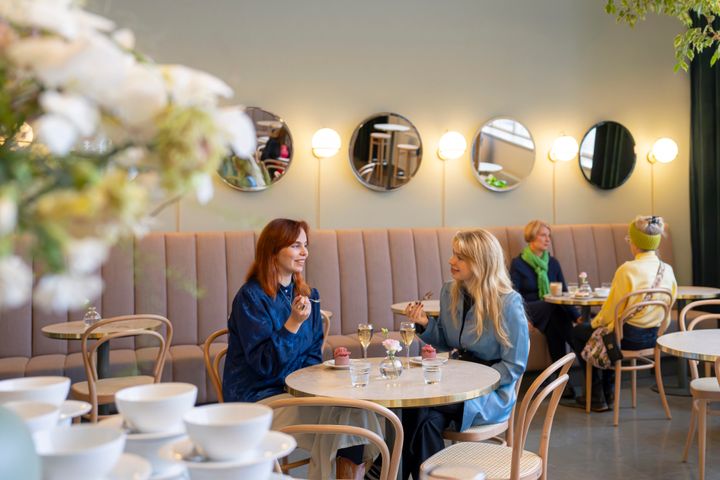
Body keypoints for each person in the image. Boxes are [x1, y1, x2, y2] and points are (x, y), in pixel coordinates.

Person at [222, 218, 380, 479]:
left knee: (357, 410)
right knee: (348, 420)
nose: (305, 252)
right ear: (273, 250)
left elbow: (311, 356)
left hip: (295, 394)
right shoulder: (251, 297)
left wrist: (322, 387)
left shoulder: (308, 294)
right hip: (259, 399)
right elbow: (265, 366)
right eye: (296, 246)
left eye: (305, 245)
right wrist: (293, 323)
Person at [403, 229, 529, 480]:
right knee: (426, 420)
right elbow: (445, 340)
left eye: (460, 257)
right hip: (455, 381)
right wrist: (425, 325)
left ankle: (383, 469)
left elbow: (515, 366)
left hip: (490, 392)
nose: (451, 261)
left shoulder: (508, 302)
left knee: (417, 406)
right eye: (453, 254)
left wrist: (476, 380)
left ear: (481, 262)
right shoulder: (450, 290)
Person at [570, 215, 677, 412]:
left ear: (635, 242)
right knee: (608, 334)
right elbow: (668, 309)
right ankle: (608, 393)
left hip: (625, 339)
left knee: (580, 333)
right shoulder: (667, 270)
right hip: (653, 338)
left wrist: (594, 324)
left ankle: (597, 396)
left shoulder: (627, 270)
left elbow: (610, 312)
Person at [509, 220, 579, 371]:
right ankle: (580, 346)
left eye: (549, 236)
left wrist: (576, 316)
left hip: (551, 312)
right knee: (552, 304)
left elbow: (564, 293)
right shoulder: (518, 264)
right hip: (530, 310)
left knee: (555, 324)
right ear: (532, 236)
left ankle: (562, 383)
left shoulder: (553, 263)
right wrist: (524, 319)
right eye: (543, 235)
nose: (548, 239)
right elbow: (513, 297)